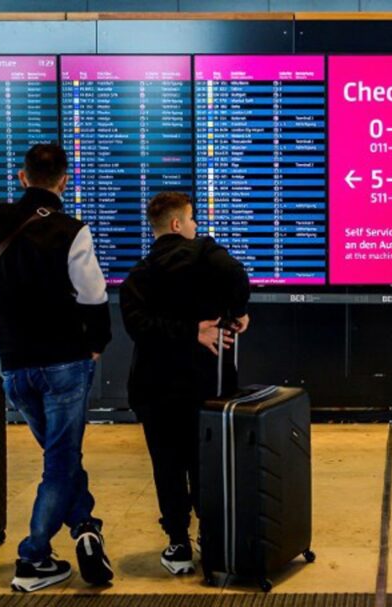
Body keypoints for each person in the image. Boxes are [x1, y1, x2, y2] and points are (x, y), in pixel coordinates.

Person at [0, 143, 114, 592]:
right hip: (66, 364)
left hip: (17, 367)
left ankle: (86, 528)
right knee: (60, 461)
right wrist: (96, 344)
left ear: (21, 178)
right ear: (64, 182)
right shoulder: (73, 231)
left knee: (60, 457)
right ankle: (33, 557)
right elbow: (94, 297)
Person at [120, 191, 250, 575]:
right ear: (177, 224)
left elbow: (137, 326)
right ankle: (213, 542)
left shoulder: (138, 275)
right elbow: (238, 279)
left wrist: (185, 330)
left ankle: (178, 544)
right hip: (205, 385)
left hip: (155, 388)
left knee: (167, 465)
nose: (196, 226)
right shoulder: (207, 255)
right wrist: (236, 314)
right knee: (207, 462)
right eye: (192, 219)